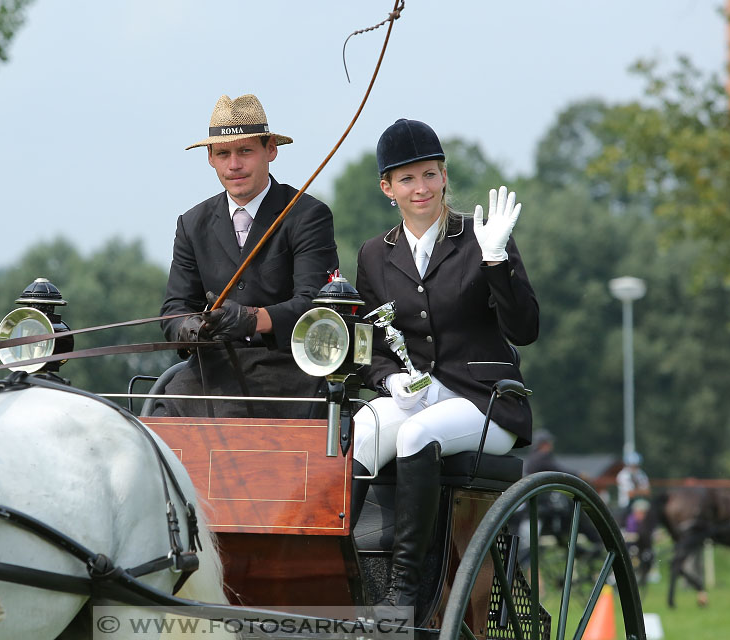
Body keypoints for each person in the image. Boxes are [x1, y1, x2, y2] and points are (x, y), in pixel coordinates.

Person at [350, 119, 538, 613]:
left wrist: (497, 259)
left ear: (444, 177)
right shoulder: (374, 255)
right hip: (417, 397)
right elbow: (370, 345)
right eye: (407, 179)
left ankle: (405, 590)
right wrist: (387, 379)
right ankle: (347, 571)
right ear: (387, 188)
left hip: (486, 402)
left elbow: (525, 330)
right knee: (362, 430)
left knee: (416, 438)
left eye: (430, 175)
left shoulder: (480, 237)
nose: (421, 189)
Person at [156, 94, 338, 418]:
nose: (234, 165)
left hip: (288, 373)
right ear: (210, 157)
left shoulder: (308, 215)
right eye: (223, 153)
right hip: (210, 372)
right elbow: (174, 308)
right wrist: (188, 327)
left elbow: (316, 304)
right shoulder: (191, 224)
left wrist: (254, 319)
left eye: (245, 151)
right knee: (156, 421)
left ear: (270, 150)